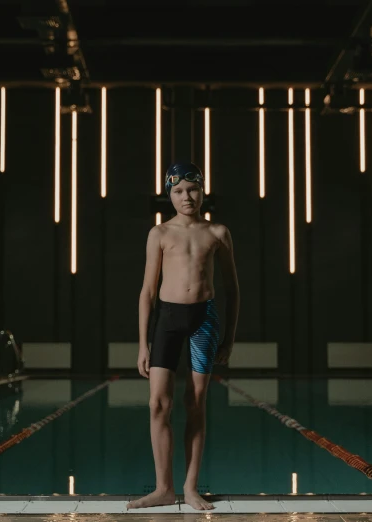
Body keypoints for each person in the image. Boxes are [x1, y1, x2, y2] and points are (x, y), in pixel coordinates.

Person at [127, 161, 240, 511]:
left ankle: (190, 489)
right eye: (178, 191)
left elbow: (233, 290)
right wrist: (143, 343)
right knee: (158, 403)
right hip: (168, 319)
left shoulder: (218, 233)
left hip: (204, 320)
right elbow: (147, 291)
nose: (186, 196)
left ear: (203, 191)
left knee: (196, 402)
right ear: (169, 195)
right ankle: (164, 488)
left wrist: (229, 340)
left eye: (192, 189)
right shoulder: (159, 234)